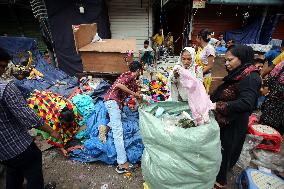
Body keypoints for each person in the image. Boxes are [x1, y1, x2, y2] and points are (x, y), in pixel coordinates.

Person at [0, 47, 61, 189]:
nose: (2, 70)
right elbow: (29, 117)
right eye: (1, 66)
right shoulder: (5, 89)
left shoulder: (15, 74)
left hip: (3, 151)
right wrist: (51, 131)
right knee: (32, 165)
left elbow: (20, 76)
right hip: (16, 145)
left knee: (13, 169)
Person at [210, 45, 261, 189]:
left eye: (230, 60)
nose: (226, 63)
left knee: (225, 150)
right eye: (225, 60)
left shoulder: (251, 77)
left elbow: (246, 102)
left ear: (242, 58)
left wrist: (219, 106)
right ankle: (219, 172)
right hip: (227, 120)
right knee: (222, 149)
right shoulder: (240, 73)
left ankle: (219, 182)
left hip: (234, 122)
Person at [103, 61, 142, 174]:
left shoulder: (131, 79)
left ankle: (106, 127)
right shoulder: (129, 75)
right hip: (113, 102)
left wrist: (138, 95)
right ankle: (122, 164)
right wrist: (134, 94)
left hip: (115, 104)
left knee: (120, 119)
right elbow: (118, 85)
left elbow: (136, 92)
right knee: (118, 132)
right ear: (138, 70)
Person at [27, 90, 80, 156]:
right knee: (48, 128)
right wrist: (62, 149)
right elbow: (55, 135)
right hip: (38, 101)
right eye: (66, 123)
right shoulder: (54, 122)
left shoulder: (71, 107)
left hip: (49, 99)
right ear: (60, 119)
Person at [260, 61, 284, 134]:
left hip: (271, 104)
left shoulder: (282, 64)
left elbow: (270, 78)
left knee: (267, 128)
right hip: (276, 105)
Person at [196, 29, 216, 93]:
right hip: (200, 75)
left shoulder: (209, 48)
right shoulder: (202, 48)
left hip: (204, 76)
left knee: (202, 96)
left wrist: (199, 74)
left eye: (197, 37)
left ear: (200, 37)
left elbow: (210, 65)